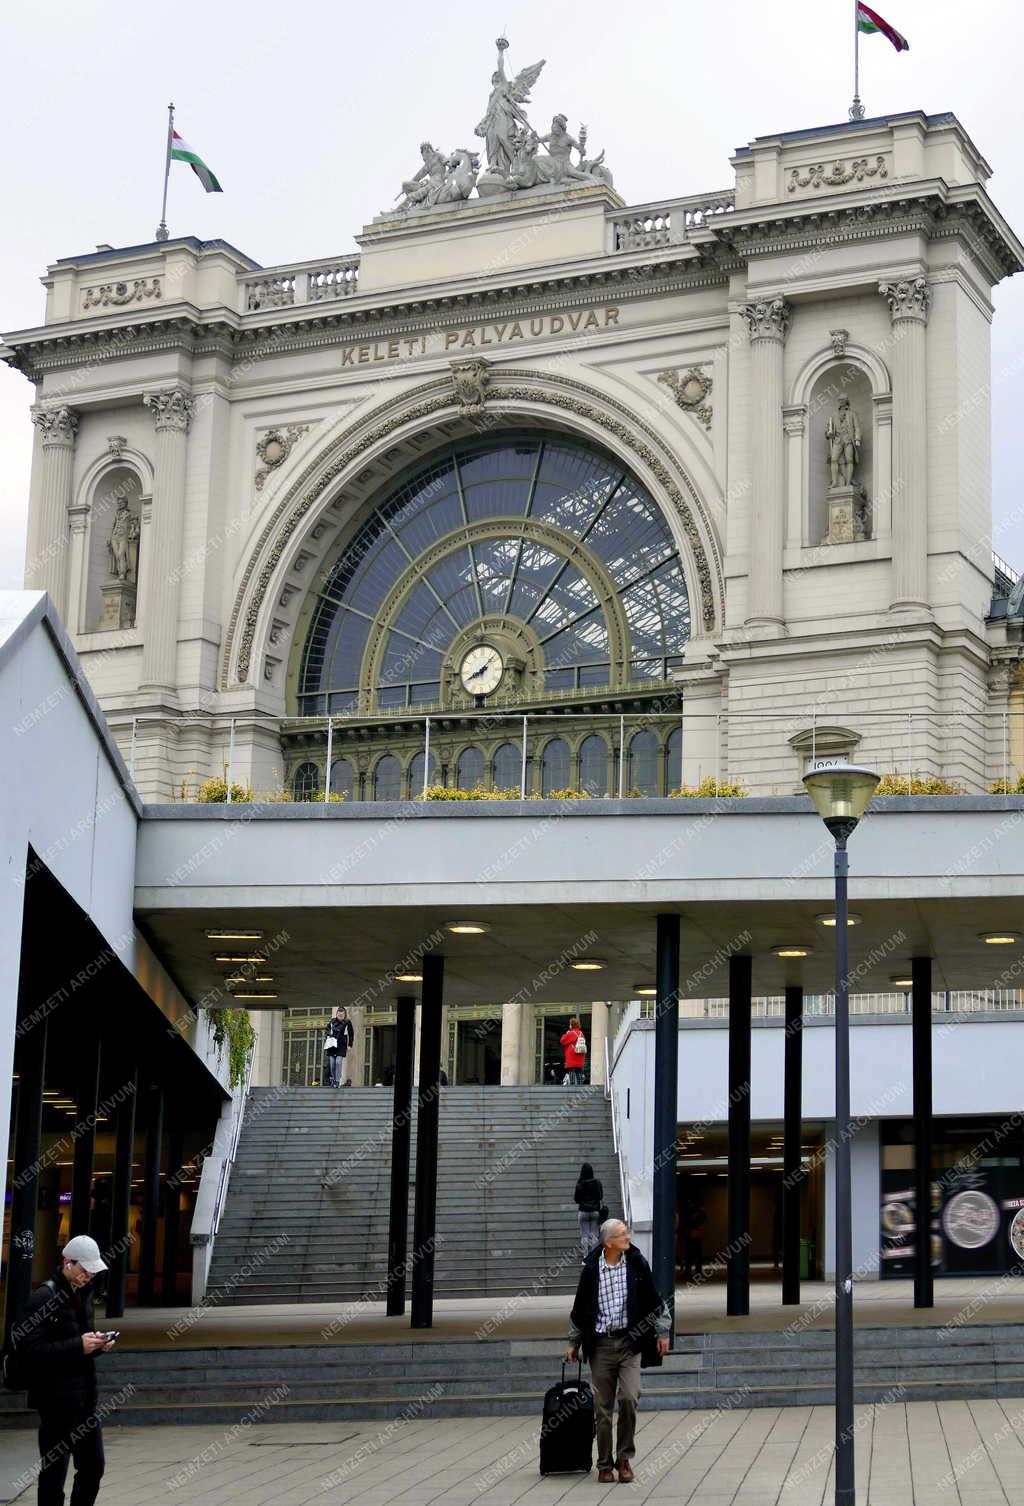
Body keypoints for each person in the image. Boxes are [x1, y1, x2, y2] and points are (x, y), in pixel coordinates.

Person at [12, 1234, 115, 1506]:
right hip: (55, 1398)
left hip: (84, 1397)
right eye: (85, 1270)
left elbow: (77, 1341)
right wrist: (77, 1345)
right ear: (67, 1262)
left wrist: (96, 1344)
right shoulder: (43, 1297)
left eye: (93, 1271)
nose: (89, 1276)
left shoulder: (84, 1294)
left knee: (93, 1466)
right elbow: (28, 1350)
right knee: (54, 1471)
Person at [565, 1219, 670, 1484]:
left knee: (629, 1398)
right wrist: (573, 1343)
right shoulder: (590, 1269)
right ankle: (604, 1464)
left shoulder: (636, 1263)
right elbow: (579, 1310)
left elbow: (653, 1299)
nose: (629, 1237)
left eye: (628, 1233)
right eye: (623, 1234)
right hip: (600, 1346)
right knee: (602, 1408)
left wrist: (663, 1332)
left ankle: (624, 1458)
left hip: (630, 1343)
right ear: (608, 1241)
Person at [574, 1161, 604, 1262]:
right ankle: (594, 1257)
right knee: (594, 1234)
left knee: (584, 1235)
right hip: (595, 1211)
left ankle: (585, 1257)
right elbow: (601, 1196)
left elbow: (576, 1199)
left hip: (583, 1212)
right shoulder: (597, 1183)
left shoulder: (580, 1184)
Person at [323, 1005, 354, 1088]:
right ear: (336, 1014)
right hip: (332, 1045)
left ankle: (337, 1081)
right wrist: (329, 1034)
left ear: (345, 1015)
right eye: (339, 1015)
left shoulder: (347, 1022)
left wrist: (350, 1044)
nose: (340, 1017)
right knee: (332, 1064)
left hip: (341, 1045)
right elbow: (326, 1030)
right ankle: (334, 1078)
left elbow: (351, 1034)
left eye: (342, 1015)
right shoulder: (332, 1021)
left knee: (338, 1062)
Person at [560, 1016, 587, 1085]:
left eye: (570, 1024)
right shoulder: (581, 1033)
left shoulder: (571, 1033)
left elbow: (562, 1041)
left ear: (572, 1025)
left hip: (572, 1055)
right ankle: (580, 1085)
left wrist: (567, 1033)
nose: (569, 1025)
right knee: (579, 1071)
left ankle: (572, 1086)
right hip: (580, 1054)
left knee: (571, 1070)